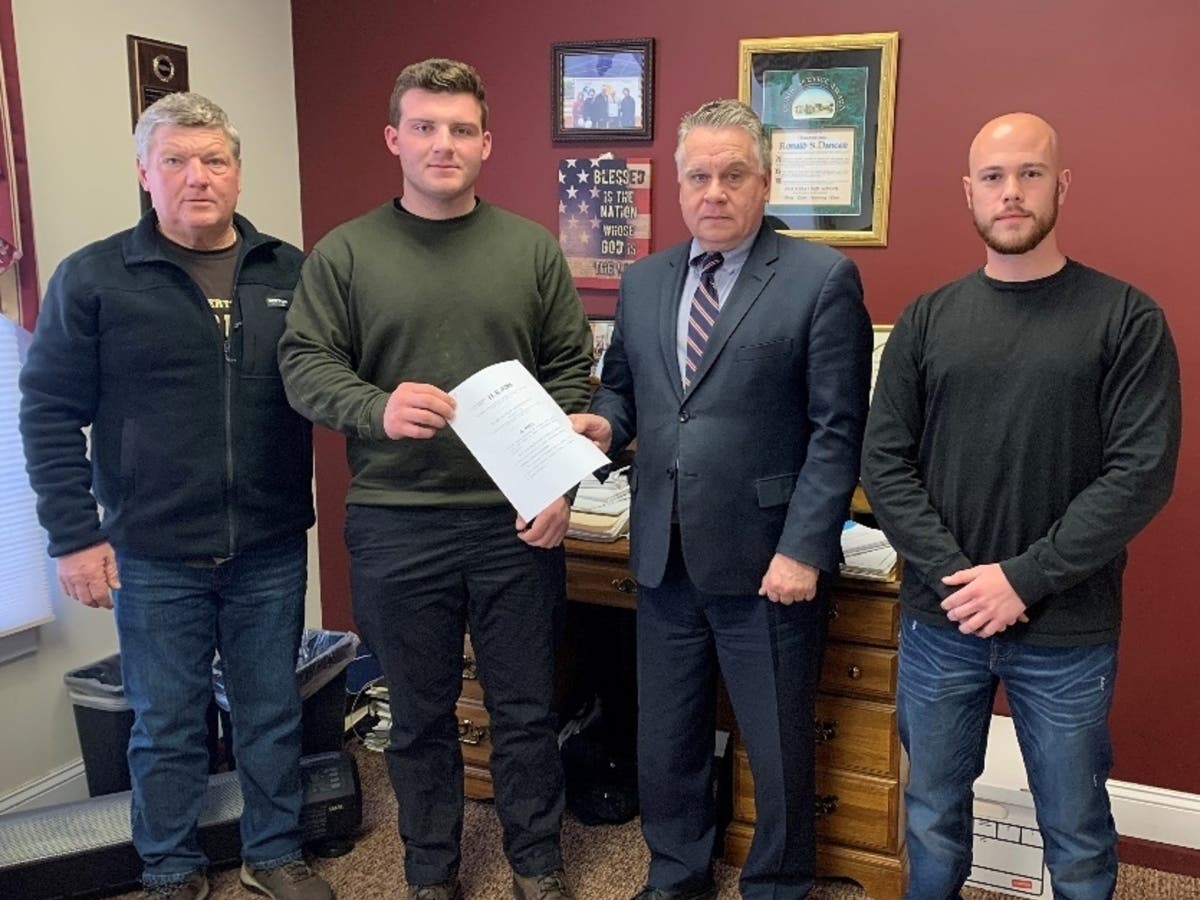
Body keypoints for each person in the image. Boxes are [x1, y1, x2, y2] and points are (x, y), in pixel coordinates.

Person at [277, 58, 591, 900]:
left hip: (515, 523)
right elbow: (304, 365)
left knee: (525, 711)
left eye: (459, 129)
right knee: (416, 717)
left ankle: (536, 862)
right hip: (394, 519)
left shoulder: (530, 248)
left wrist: (559, 488)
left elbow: (570, 375)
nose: (441, 144)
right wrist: (375, 408)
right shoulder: (344, 253)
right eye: (424, 126)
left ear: (486, 143)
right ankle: (429, 872)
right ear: (394, 138)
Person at [18, 93, 332, 900]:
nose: (198, 177)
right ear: (144, 174)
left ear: (236, 170)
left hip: (266, 543)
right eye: (177, 162)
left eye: (215, 160)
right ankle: (170, 867)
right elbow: (50, 414)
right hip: (154, 552)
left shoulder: (290, 271)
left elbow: (333, 382)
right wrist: (73, 537)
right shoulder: (94, 278)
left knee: (271, 714)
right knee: (167, 725)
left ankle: (274, 854)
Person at [861, 112, 1181, 900]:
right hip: (943, 624)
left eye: (1030, 174)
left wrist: (1022, 580)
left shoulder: (1125, 319)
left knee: (1074, 832)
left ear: (1061, 185)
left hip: (1067, 631)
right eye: (995, 178)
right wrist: (958, 578)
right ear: (968, 192)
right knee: (931, 814)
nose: (1012, 193)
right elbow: (883, 462)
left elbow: (1139, 473)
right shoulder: (929, 320)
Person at [571, 99, 872, 900]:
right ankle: (676, 875)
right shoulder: (645, 280)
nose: (715, 191)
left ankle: (777, 883)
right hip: (664, 555)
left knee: (774, 746)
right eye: (698, 176)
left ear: (764, 181)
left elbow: (838, 430)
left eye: (733, 174)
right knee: (665, 739)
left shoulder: (820, 277)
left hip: (769, 559)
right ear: (677, 184)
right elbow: (626, 389)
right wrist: (602, 421)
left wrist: (805, 546)